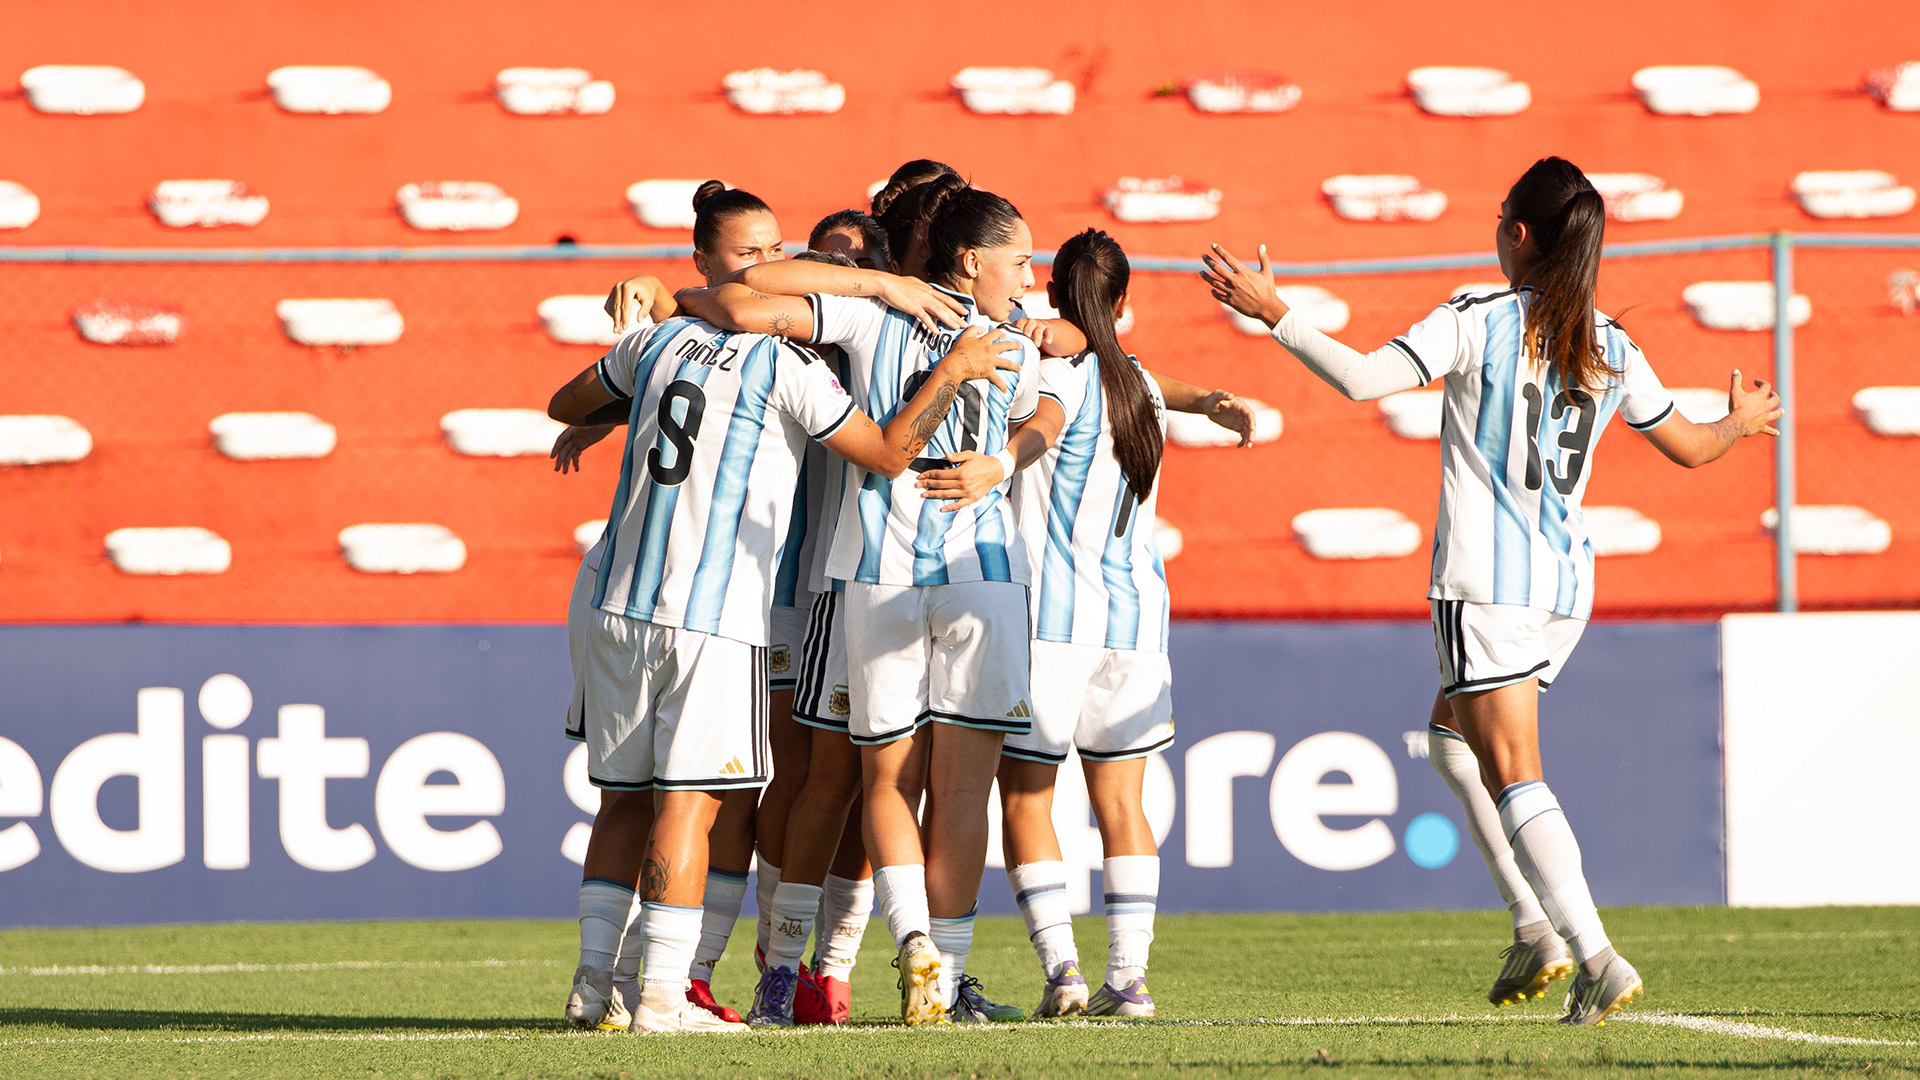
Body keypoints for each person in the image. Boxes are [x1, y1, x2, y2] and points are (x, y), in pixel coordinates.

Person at [1202, 156, 1782, 1027]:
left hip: (1485, 584)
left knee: (1512, 769)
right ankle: (1535, 926)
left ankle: (1590, 953)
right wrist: (1739, 423)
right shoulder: (1612, 344)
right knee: (1450, 738)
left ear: (1517, 233)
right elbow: (1693, 449)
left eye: (1500, 215)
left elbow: (1362, 379)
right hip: (1563, 590)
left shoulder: (1480, 316)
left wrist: (1273, 313)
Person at [546, 232, 1022, 1031]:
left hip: (618, 601)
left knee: (622, 803)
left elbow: (564, 403)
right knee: (691, 803)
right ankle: (665, 996)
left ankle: (594, 987)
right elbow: (888, 451)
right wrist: (952, 371)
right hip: (716, 616)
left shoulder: (659, 341)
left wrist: (617, 406)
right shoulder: (789, 369)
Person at [676, 177, 1043, 1026]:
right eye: (1021, 261)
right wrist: (1009, 456)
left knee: (873, 779)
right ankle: (930, 975)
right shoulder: (1007, 332)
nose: (1030, 277)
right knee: (942, 791)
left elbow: (742, 295)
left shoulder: (874, 319)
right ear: (973, 257)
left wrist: (1005, 454)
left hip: (869, 574)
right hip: (972, 575)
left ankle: (878, 954)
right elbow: (1057, 395)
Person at [915, 229, 1252, 1019]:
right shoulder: (1141, 385)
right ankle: (1128, 981)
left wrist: (1000, 460)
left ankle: (1063, 971)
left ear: (1055, 296)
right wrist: (1208, 397)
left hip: (1052, 624)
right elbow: (1127, 370)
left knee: (1027, 797)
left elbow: (1047, 422)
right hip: (1136, 621)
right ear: (1125, 303)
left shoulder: (1056, 370)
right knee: (1123, 804)